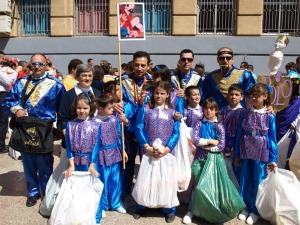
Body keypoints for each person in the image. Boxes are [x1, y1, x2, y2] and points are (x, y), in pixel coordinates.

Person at [2, 53, 65, 207]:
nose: (37, 67)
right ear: (30, 65)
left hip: (44, 129)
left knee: (44, 162)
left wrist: (63, 128)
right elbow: (8, 102)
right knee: (28, 161)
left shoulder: (56, 85)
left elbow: (63, 109)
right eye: (34, 64)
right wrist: (16, 110)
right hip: (25, 128)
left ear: (46, 65)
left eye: (40, 64)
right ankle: (33, 192)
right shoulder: (21, 82)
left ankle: (46, 192)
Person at [134, 81, 180, 223]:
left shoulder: (173, 113)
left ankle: (167, 207)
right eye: (157, 93)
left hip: (166, 152)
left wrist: (167, 148)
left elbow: (176, 132)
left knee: (165, 179)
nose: (159, 95)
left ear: (167, 95)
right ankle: (142, 204)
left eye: (162, 93)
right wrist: (146, 146)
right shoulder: (146, 109)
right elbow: (139, 127)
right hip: (149, 150)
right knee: (146, 178)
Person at [235, 83, 278, 225]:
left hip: (261, 151)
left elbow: (272, 138)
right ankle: (245, 206)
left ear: (265, 97)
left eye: (257, 95)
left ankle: (255, 210)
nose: (253, 98)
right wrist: (237, 154)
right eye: (252, 95)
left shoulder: (269, 116)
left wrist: (272, 159)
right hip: (246, 149)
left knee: (258, 180)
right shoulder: (246, 113)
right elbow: (239, 134)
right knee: (245, 178)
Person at [183, 97, 225, 224]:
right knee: (197, 183)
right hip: (200, 158)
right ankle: (192, 210)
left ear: (216, 110)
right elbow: (195, 139)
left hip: (214, 159)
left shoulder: (219, 126)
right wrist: (210, 142)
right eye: (206, 108)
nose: (208, 111)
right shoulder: (199, 123)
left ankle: (209, 209)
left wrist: (208, 148)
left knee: (212, 184)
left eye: (211, 109)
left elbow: (221, 145)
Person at [63, 92, 102, 224]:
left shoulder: (96, 125)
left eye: (85, 108)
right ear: (75, 108)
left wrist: (92, 163)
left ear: (90, 108)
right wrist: (71, 163)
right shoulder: (70, 124)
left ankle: (94, 215)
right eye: (79, 108)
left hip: (89, 162)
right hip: (75, 161)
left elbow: (96, 146)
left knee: (90, 188)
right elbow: (68, 145)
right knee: (76, 190)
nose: (82, 111)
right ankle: (78, 213)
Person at [91, 94, 128, 222]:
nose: (112, 110)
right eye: (110, 108)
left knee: (115, 179)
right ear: (100, 109)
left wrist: (123, 150)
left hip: (114, 152)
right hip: (101, 155)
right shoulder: (94, 122)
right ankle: (102, 206)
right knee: (102, 180)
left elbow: (119, 135)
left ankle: (116, 203)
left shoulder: (113, 119)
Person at [102, 80, 135, 200]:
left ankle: (125, 191)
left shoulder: (128, 106)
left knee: (126, 166)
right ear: (110, 94)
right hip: (110, 142)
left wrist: (126, 120)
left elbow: (135, 125)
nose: (120, 92)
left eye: (121, 89)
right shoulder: (106, 107)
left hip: (126, 140)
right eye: (117, 90)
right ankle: (111, 194)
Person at [219, 84, 246, 184]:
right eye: (231, 94)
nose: (233, 97)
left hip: (237, 148)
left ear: (242, 97)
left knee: (236, 176)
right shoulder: (221, 111)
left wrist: (237, 150)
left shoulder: (244, 112)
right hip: (222, 147)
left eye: (236, 94)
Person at [0, 63, 18, 153]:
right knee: (3, 122)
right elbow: (7, 81)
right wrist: (16, 72)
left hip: (3, 94)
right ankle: (1, 146)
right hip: (1, 95)